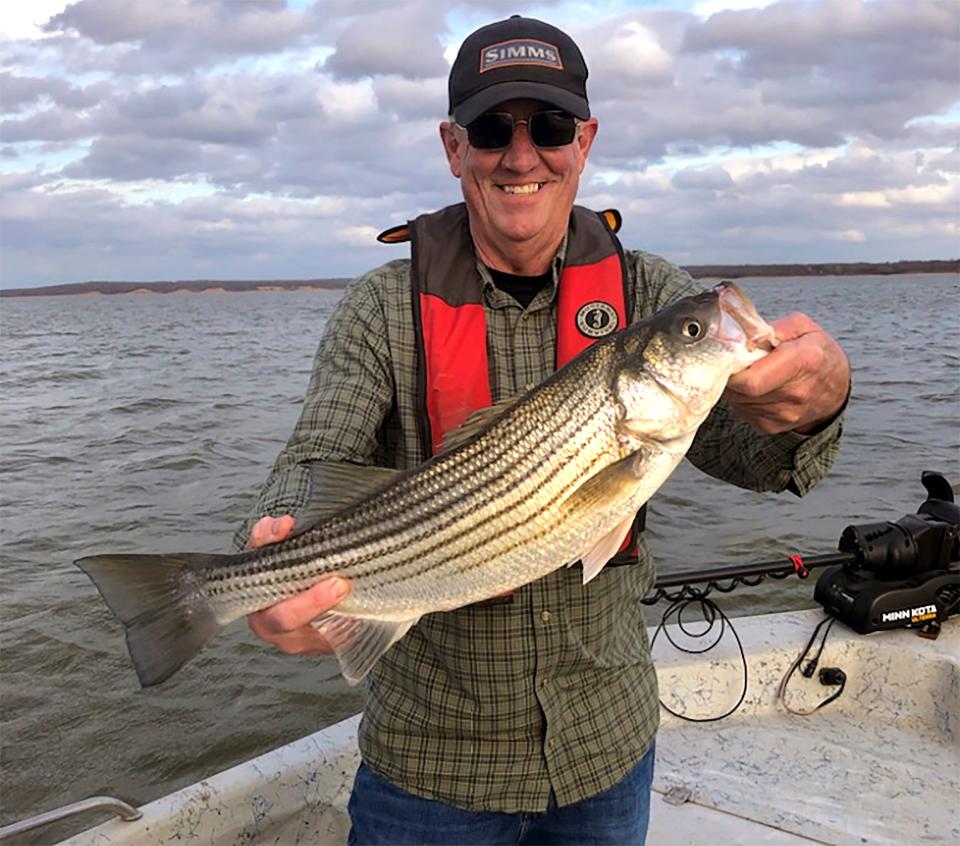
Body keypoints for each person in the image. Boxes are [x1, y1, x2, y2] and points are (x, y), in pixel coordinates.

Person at [237, 15, 850, 846]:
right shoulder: (381, 308)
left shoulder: (649, 292)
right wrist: (265, 547)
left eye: (550, 127)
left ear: (585, 140)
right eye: (493, 130)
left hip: (607, 750)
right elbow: (316, 459)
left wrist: (814, 405)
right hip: (431, 767)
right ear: (454, 148)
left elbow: (762, 458)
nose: (521, 157)